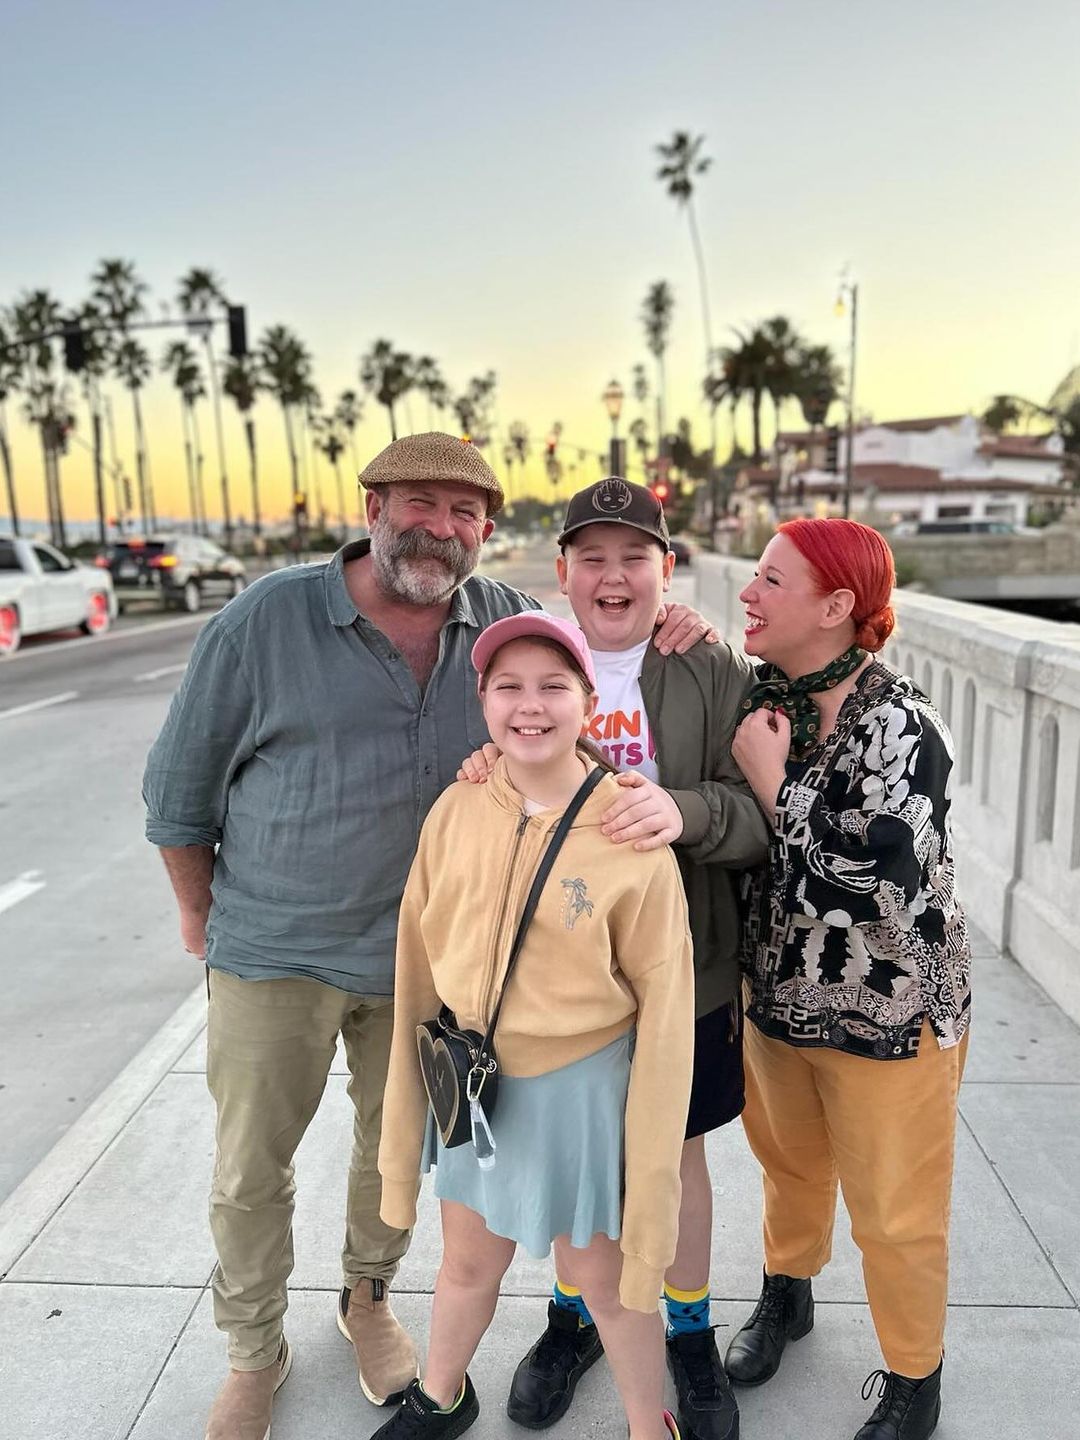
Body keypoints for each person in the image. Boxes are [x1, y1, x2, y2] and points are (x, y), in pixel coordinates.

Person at [141, 432, 716, 1440]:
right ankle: (251, 1349)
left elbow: (578, 676)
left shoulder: (498, 620)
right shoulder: (269, 619)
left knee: (390, 1154)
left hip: (435, 981)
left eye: (463, 514)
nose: (438, 528)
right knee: (249, 1166)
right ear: (371, 507)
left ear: (486, 532)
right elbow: (179, 790)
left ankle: (367, 1302)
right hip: (278, 948)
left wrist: (679, 622)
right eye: (418, 503)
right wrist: (201, 916)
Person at [459, 477, 769, 1440]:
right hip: (559, 982)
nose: (613, 575)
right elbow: (500, 771)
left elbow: (761, 815)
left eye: (634, 556)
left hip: (689, 964)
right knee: (572, 1157)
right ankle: (575, 1319)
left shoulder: (711, 665)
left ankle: (686, 1333)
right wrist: (485, 774)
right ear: (561, 572)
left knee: (675, 1160)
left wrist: (686, 811)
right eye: (591, 556)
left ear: (665, 570)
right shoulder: (538, 662)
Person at [374, 612, 696, 1440]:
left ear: (590, 700)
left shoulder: (629, 830)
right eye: (507, 686)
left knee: (608, 1283)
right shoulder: (457, 809)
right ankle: (440, 1395)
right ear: (481, 700)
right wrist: (406, 1114)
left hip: (579, 1087)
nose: (530, 706)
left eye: (553, 686)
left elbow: (664, 1007)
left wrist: (651, 1156)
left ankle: (645, 1425)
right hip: (478, 1083)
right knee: (468, 1262)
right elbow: (417, 953)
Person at [726, 517, 971, 1440]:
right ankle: (787, 1295)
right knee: (788, 1164)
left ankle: (915, 1377)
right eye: (751, 575)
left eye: (771, 581)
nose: (748, 594)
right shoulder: (766, 695)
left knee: (897, 1209)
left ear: (835, 606)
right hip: (779, 996)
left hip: (891, 1009)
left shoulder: (904, 724)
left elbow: (881, 883)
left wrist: (773, 783)